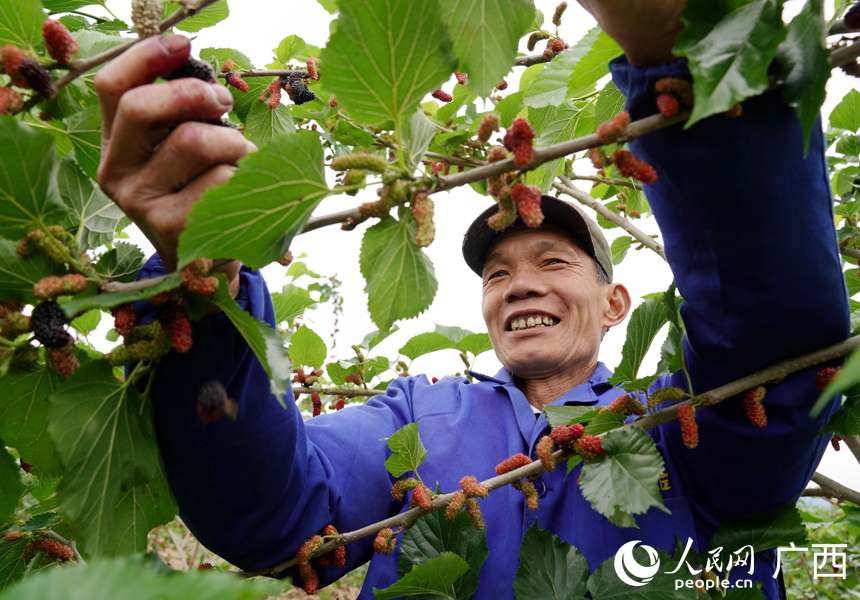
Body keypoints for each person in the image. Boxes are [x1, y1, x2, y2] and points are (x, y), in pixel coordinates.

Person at [94, 1, 849, 598]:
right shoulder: (417, 418)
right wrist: (206, 293)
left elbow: (779, 348)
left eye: (553, 261)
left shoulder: (670, 429)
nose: (520, 282)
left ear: (616, 301)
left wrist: (685, 55)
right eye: (496, 275)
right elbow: (274, 516)